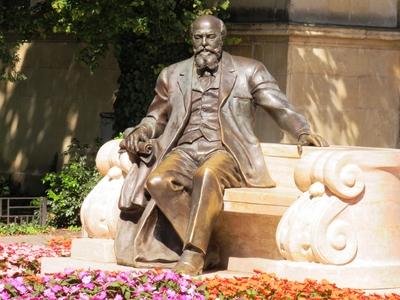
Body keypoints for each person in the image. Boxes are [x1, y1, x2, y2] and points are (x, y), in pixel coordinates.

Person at [118, 15, 327, 275]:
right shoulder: (172, 75)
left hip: (227, 151)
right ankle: (209, 247)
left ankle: (194, 254)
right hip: (184, 150)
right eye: (198, 37)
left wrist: (301, 131)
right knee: (158, 181)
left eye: (210, 37)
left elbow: (279, 106)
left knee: (206, 175)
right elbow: (156, 117)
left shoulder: (249, 70)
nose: (204, 43)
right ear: (191, 40)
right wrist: (142, 130)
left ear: (221, 37)